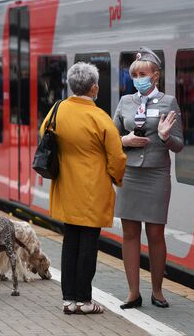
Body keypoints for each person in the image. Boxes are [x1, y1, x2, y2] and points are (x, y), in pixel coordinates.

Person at [39, 62, 126, 315]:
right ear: (94, 88)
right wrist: (116, 178)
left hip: (66, 187)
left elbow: (45, 134)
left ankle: (68, 300)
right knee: (88, 244)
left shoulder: (57, 109)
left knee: (70, 242)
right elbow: (117, 157)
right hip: (92, 189)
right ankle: (85, 301)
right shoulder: (99, 117)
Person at [113, 47, 184, 309]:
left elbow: (179, 145)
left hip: (156, 174)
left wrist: (166, 136)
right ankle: (133, 292)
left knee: (156, 234)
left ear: (156, 75)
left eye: (143, 73)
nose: (138, 78)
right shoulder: (125, 103)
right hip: (130, 174)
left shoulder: (169, 102)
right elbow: (111, 138)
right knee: (129, 233)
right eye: (134, 74)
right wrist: (125, 140)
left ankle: (157, 291)